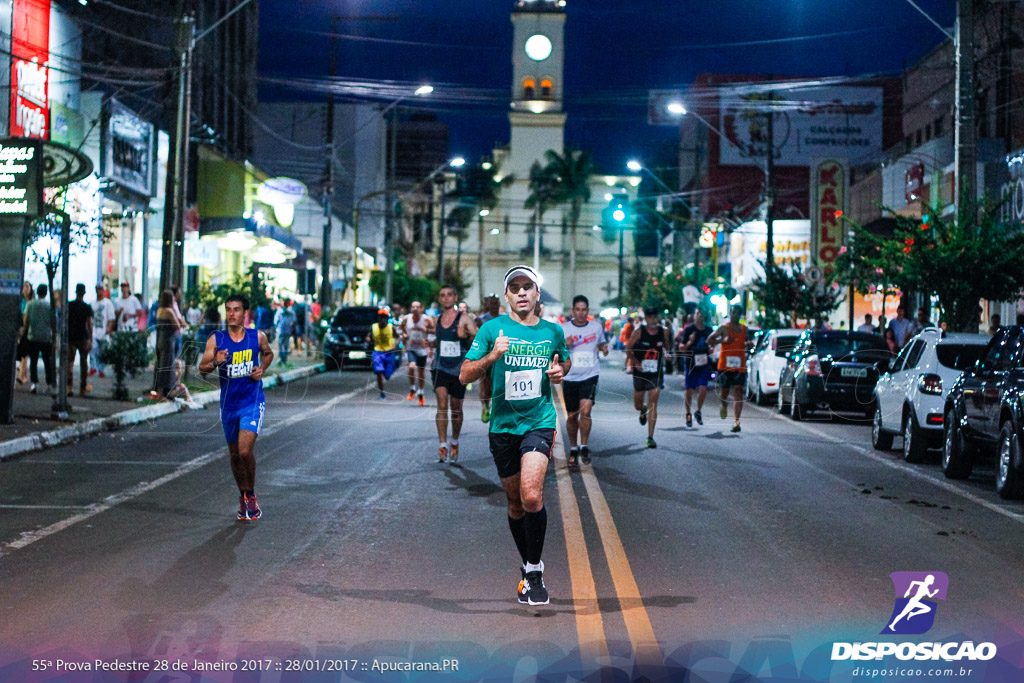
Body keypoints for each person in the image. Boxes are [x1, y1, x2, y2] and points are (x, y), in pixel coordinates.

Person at [460, 264, 570, 606]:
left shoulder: (552, 331)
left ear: (538, 294)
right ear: (507, 296)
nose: (521, 292)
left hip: (539, 420)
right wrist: (493, 355)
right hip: (503, 426)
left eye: (528, 287)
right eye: (515, 288)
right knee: (515, 504)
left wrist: (558, 371)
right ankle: (527, 566)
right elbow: (464, 374)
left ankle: (534, 570)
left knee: (531, 496)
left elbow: (563, 362)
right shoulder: (492, 329)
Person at [198, 294, 273, 521]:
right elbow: (202, 369)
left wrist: (262, 368)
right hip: (229, 405)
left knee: (244, 451)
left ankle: (250, 494)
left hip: (251, 402)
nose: (232, 313)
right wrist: (215, 361)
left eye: (236, 309)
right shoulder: (217, 340)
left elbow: (268, 353)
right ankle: (243, 495)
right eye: (228, 309)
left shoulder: (256, 337)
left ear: (246, 314)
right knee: (234, 455)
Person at [432, 285, 478, 463]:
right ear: (440, 298)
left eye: (449, 295)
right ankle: (442, 445)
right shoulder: (436, 319)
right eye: (442, 295)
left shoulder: (464, 318)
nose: (446, 298)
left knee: (456, 408)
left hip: (459, 369)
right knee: (441, 403)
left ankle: (455, 441)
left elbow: (477, 339)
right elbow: (436, 340)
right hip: (440, 367)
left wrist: (465, 336)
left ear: (455, 297)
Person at [561, 295, 608, 467]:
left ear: (588, 311)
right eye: (578, 310)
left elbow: (602, 343)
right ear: (573, 310)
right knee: (572, 416)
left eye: (584, 310)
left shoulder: (596, 327)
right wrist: (565, 344)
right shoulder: (564, 328)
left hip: (590, 374)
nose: (581, 313)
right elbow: (556, 351)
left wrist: (604, 348)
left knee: (586, 411)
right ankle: (573, 447)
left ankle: (584, 445)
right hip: (570, 376)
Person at [627, 307, 671, 448]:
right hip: (640, 372)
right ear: (645, 318)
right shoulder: (639, 332)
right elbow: (629, 349)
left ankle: (650, 437)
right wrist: (636, 362)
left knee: (654, 403)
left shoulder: (663, 331)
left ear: (657, 318)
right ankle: (642, 409)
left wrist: (667, 353)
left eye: (654, 316)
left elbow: (666, 345)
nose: (652, 319)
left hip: (655, 372)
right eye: (649, 316)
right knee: (638, 405)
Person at [707, 304, 748, 433]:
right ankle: (723, 405)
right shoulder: (724, 328)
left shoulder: (744, 329)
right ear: (730, 313)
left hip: (740, 365)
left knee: (738, 391)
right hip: (725, 365)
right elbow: (709, 340)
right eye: (733, 312)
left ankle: (737, 421)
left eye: (737, 313)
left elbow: (744, 342)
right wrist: (722, 341)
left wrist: (748, 344)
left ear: (740, 315)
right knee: (724, 392)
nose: (735, 315)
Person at [679, 308, 713, 428]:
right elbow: (681, 347)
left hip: (704, 363)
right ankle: (688, 414)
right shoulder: (689, 329)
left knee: (703, 388)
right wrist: (690, 342)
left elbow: (711, 345)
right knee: (689, 390)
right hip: (691, 363)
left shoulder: (708, 330)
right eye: (697, 313)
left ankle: (698, 411)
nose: (699, 316)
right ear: (694, 316)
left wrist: (711, 349)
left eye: (702, 314)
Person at [400, 300, 433, 406]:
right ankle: (412, 388)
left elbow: (435, 330)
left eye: (417, 307)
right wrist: (404, 335)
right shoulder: (406, 318)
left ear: (421, 308)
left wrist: (426, 330)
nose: (415, 309)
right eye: (413, 307)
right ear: (411, 308)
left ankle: (421, 392)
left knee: (421, 372)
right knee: (411, 366)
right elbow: (401, 327)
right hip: (411, 348)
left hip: (422, 349)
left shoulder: (426, 319)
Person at [475, 294, 503, 422]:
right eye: (491, 303)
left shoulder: (505, 319)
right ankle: (485, 407)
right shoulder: (481, 320)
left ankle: (498, 410)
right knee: (486, 388)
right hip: (487, 358)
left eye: (496, 303)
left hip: (502, 359)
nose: (493, 306)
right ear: (488, 305)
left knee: (499, 388)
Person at [24, 283, 55, 394]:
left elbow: (26, 320)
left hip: (33, 336)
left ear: (37, 292)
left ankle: (35, 383)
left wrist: (24, 333)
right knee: (47, 361)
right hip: (46, 337)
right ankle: (49, 383)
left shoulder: (31, 304)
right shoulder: (49, 306)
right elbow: (53, 322)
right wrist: (54, 336)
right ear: (46, 293)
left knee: (34, 361)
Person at [153, 289, 183, 399]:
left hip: (160, 340)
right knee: (168, 366)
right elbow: (177, 325)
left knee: (161, 364)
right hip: (169, 341)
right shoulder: (169, 311)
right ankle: (166, 391)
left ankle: (159, 390)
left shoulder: (159, 310)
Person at [66, 284, 94, 397]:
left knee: (70, 363)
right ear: (84, 293)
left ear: (76, 292)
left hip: (70, 337)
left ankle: (69, 387)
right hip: (82, 337)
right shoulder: (86, 307)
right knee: (83, 363)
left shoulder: (69, 305)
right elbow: (89, 324)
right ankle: (82, 388)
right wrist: (90, 339)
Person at [368, 309, 398, 400]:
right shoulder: (373, 327)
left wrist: (395, 345)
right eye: (381, 317)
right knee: (379, 372)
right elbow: (369, 336)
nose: (382, 320)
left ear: (387, 318)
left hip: (389, 352)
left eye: (384, 317)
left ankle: (387, 375)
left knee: (387, 375)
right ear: (378, 318)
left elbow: (398, 337)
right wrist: (368, 339)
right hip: (377, 352)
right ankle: (382, 393)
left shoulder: (391, 327)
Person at [90, 284, 116, 379]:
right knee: (93, 349)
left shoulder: (107, 303)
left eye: (101, 289)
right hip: (94, 330)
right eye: (97, 289)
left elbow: (111, 316)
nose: (99, 291)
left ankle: (101, 369)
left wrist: (109, 327)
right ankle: (93, 367)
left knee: (102, 351)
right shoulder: (92, 303)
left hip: (103, 330)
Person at [17, 281, 33, 385]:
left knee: (24, 352)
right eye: (24, 286)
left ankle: (23, 375)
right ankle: (23, 375)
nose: (25, 288)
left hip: (29, 328)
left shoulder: (31, 302)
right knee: (23, 352)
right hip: (21, 327)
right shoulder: (20, 301)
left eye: (27, 286)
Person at [274, 300, 296, 366]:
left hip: (281, 330)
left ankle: (281, 358)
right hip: (288, 330)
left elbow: (276, 321)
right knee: (286, 345)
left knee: (280, 344)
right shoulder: (291, 311)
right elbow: (294, 321)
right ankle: (284, 359)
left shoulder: (280, 311)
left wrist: (277, 327)